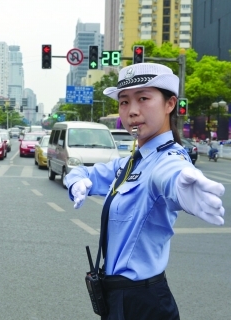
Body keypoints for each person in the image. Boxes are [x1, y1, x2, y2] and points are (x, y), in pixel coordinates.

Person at [65, 63, 225, 320]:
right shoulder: (131, 161)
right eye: (124, 102)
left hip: (143, 304)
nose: (132, 111)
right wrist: (76, 183)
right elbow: (83, 172)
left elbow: (168, 174)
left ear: (169, 104)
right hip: (118, 297)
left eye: (143, 98)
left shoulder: (168, 159)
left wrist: (180, 187)